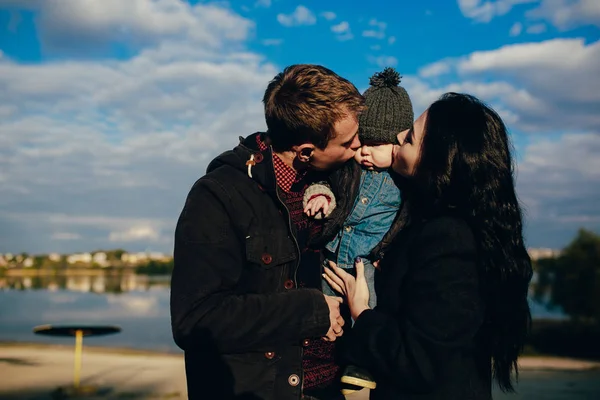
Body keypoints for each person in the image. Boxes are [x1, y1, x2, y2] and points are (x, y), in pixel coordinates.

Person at [170, 64, 365, 400]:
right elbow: (195, 320)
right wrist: (311, 311)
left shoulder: (336, 180)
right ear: (306, 151)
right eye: (348, 142)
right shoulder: (218, 196)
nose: (359, 147)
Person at [324, 93, 533, 399]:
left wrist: (361, 312)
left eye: (409, 136)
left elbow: (422, 360)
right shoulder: (433, 220)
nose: (398, 136)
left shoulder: (451, 237)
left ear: (438, 156)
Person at [303, 67, 413, 395]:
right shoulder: (349, 167)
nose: (364, 151)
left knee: (371, 310)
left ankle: (361, 365)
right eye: (362, 142)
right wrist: (320, 196)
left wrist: (394, 255)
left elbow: (406, 222)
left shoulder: (404, 181)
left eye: (375, 145)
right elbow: (323, 182)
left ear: (397, 143)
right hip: (334, 254)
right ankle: (321, 357)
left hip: (369, 261)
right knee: (326, 307)